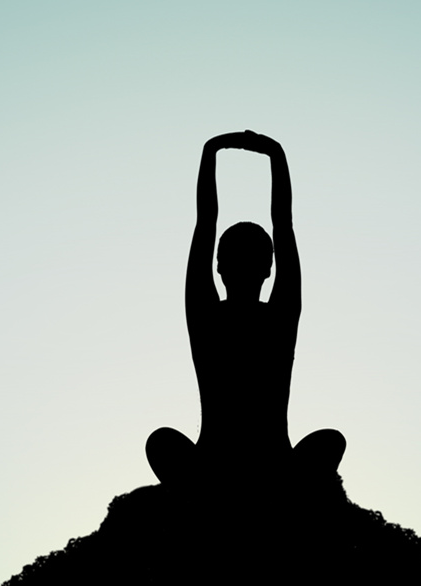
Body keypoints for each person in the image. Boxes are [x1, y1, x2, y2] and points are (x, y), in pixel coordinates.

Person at [147, 131, 344, 486]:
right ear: (269, 270)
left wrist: (214, 150)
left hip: (244, 461)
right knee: (160, 442)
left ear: (218, 267)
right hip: (253, 461)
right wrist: (273, 153)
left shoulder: (214, 316)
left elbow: (208, 223)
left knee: (331, 441)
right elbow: (281, 224)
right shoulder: (274, 316)